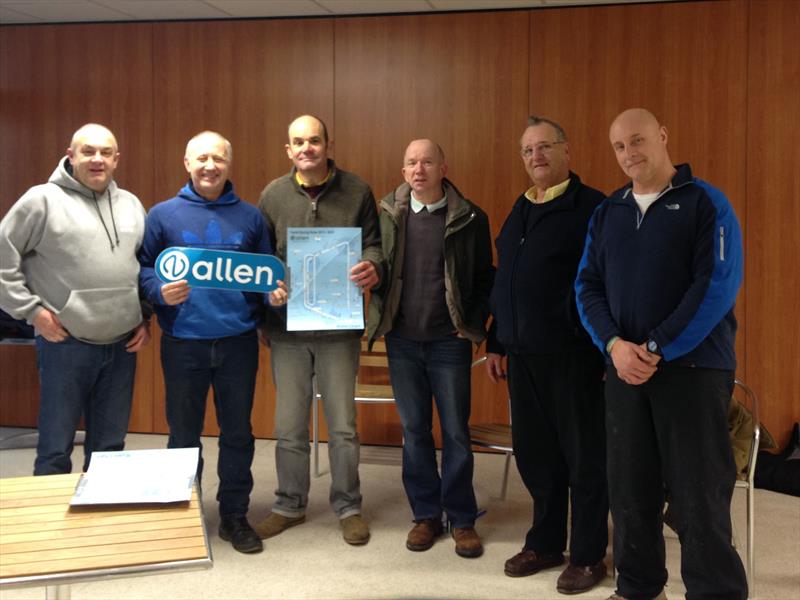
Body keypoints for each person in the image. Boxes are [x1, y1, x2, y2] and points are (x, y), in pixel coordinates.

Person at [575, 108, 748, 600]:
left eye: (638, 140)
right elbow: (586, 286)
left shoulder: (705, 203)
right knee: (630, 491)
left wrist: (654, 348)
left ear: (663, 137)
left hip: (691, 371)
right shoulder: (608, 212)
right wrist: (612, 345)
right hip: (625, 371)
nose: (630, 154)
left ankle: (715, 592)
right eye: (619, 147)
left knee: (698, 496)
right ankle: (637, 587)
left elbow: (715, 286)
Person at [485, 117, 608, 593]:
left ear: (566, 151)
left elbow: (603, 284)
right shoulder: (520, 208)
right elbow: (506, 281)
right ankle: (546, 542)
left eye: (545, 147)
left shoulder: (592, 207)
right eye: (527, 150)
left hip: (574, 357)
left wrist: (602, 349)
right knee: (538, 456)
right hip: (522, 357)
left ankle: (589, 554)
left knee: (585, 459)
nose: (536, 156)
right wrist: (496, 339)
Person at [138, 131, 271, 554]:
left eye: (218, 158)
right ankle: (184, 514)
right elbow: (143, 269)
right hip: (183, 342)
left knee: (238, 433)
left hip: (237, 342)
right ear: (186, 162)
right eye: (201, 158)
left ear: (229, 165)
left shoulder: (251, 217)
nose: (209, 165)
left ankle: (234, 515)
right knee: (183, 433)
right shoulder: (161, 215)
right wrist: (159, 291)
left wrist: (274, 295)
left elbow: (268, 275)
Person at [256, 115, 382, 546]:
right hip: (287, 331)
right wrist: (267, 289)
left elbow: (374, 244)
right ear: (287, 150)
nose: (306, 148)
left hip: (338, 329)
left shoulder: (358, 190)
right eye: (297, 142)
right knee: (289, 424)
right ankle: (289, 504)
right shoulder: (272, 195)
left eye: (314, 140)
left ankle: (348, 506)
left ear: (328, 144)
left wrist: (372, 266)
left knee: (343, 426)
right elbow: (262, 258)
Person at [367, 139, 493, 558]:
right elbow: (379, 265)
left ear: (443, 167)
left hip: (448, 344)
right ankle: (425, 515)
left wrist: (470, 326)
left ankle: (461, 518)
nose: (418, 169)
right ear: (403, 171)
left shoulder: (470, 217)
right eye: (410, 163)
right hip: (402, 341)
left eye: (426, 162)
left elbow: (482, 278)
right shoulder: (388, 214)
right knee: (415, 432)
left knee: (456, 434)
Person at [0, 123, 150, 475]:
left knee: (110, 448)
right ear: (71, 155)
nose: (97, 159)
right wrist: (33, 313)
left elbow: (145, 266)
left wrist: (144, 315)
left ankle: (98, 524)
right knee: (55, 447)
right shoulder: (41, 200)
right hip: (65, 344)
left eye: (105, 153)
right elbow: (2, 261)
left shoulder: (130, 204)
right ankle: (51, 528)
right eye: (88, 151)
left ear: (116, 160)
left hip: (121, 346)